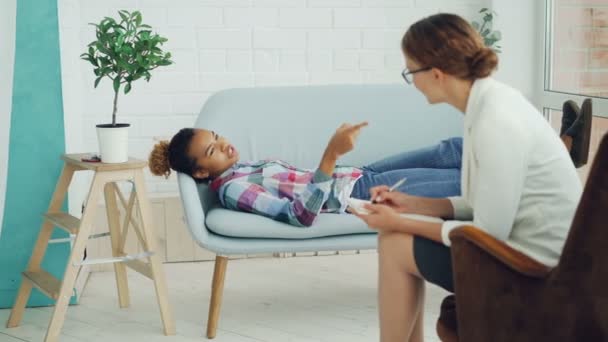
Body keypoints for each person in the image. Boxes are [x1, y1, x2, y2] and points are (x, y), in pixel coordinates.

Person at [349, 13, 582, 342]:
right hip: (522, 252)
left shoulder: (495, 120)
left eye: (409, 71)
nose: (412, 82)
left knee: (395, 244)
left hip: (534, 271)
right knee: (395, 239)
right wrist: (411, 204)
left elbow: (488, 234)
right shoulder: (487, 104)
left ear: (436, 73)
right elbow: (478, 205)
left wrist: (399, 222)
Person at [149, 125, 464, 227]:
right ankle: (514, 187)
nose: (224, 144)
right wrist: (330, 155)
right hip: (359, 190)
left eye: (217, 137)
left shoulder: (243, 168)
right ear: (202, 171)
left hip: (358, 173)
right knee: (462, 181)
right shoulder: (233, 190)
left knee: (450, 150)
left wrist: (335, 164)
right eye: (212, 150)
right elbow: (299, 215)